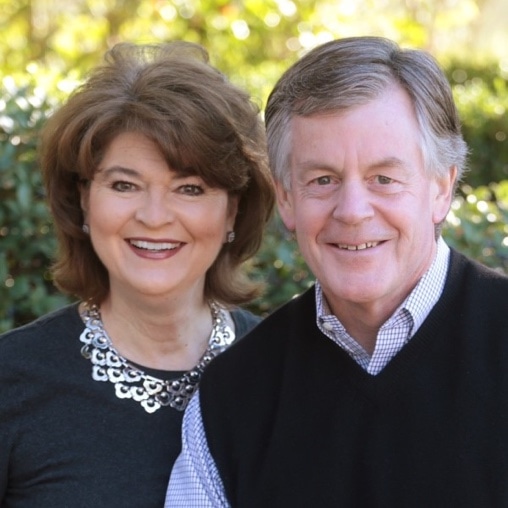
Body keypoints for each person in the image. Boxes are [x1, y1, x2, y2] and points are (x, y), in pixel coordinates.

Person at [165, 36, 508, 507]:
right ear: (286, 197)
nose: (352, 210)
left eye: (383, 178)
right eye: (322, 180)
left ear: (441, 188)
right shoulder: (231, 400)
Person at [0, 41, 274, 507]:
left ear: (233, 212)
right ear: (84, 199)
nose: (154, 216)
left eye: (190, 188)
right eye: (124, 184)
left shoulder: (285, 374)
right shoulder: (11, 381)